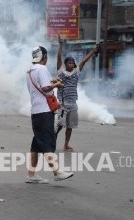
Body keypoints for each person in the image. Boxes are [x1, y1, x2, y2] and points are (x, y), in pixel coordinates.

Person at [25, 46, 73, 184]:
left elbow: (41, 86)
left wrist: (52, 83)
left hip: (36, 112)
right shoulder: (42, 69)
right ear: (44, 56)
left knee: (37, 144)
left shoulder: (29, 71)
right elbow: (45, 88)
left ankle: (31, 174)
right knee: (47, 142)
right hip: (44, 111)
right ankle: (57, 172)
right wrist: (57, 84)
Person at [56, 37, 99, 152]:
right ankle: (52, 142)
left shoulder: (76, 72)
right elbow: (59, 57)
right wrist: (60, 44)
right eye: (69, 63)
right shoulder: (61, 73)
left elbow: (84, 60)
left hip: (73, 104)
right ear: (65, 64)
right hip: (63, 104)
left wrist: (93, 51)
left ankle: (66, 144)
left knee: (70, 127)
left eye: (73, 63)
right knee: (59, 125)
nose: (72, 64)